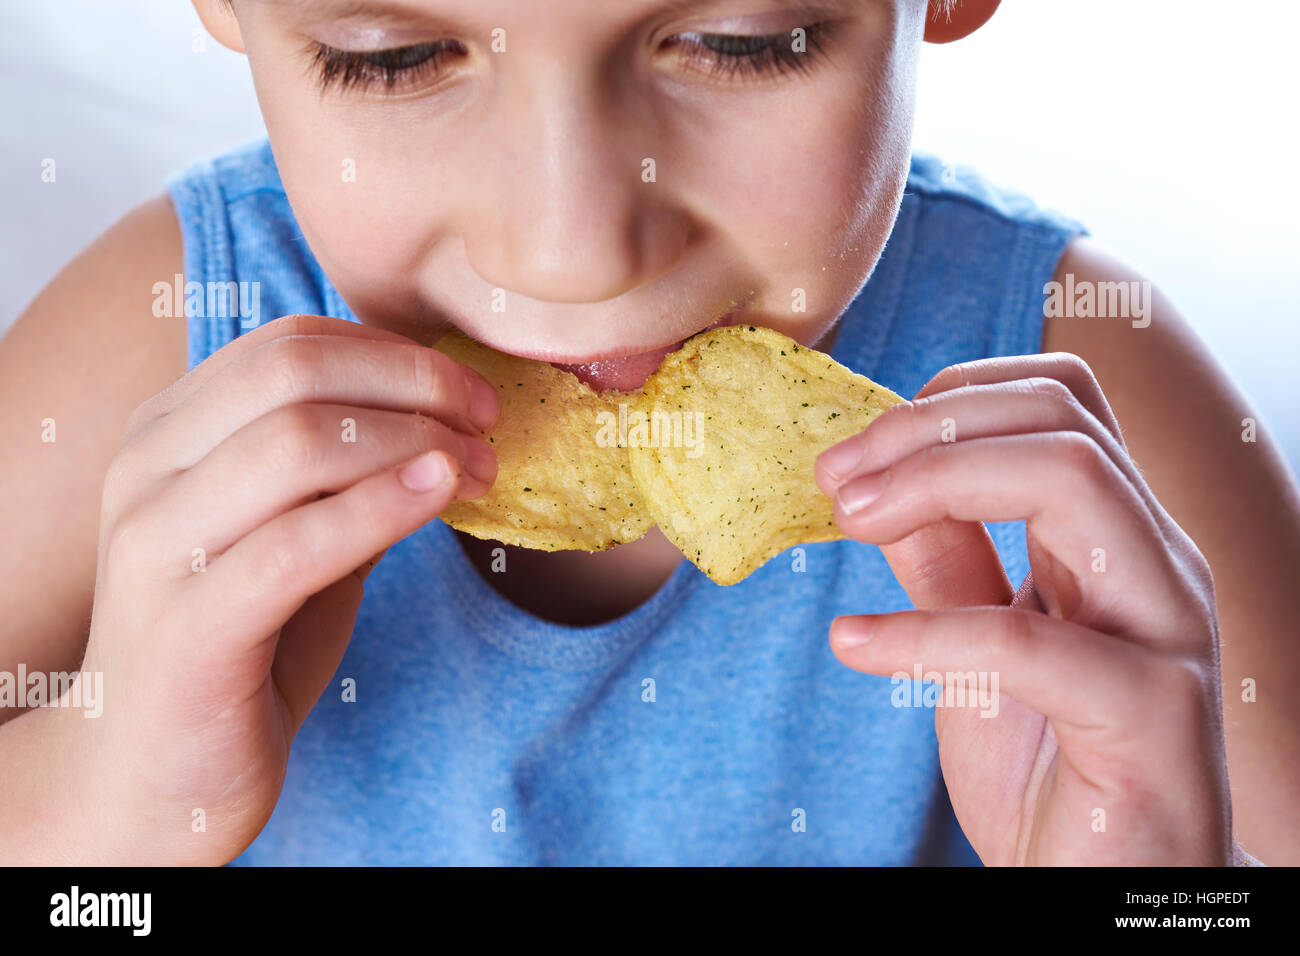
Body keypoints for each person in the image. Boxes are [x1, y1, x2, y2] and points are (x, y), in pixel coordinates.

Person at [0, 0, 1294, 865]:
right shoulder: (169, 330)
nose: (570, 250)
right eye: (392, 55)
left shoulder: (1081, 411)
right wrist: (107, 792)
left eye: (744, 38)